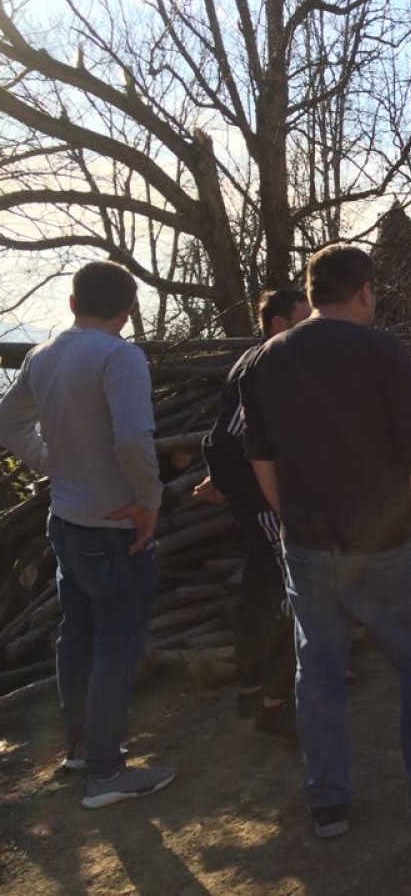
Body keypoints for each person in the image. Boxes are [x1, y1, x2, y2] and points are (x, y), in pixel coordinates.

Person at [239, 244, 411, 839]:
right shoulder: (382, 351)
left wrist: (293, 518)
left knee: (317, 672)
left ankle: (328, 803)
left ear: (311, 291)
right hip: (387, 544)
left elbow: (261, 461)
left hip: (307, 546)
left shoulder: (265, 360)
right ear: (365, 291)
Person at [0, 261, 175, 808]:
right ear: (127, 310)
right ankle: (105, 772)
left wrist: (51, 463)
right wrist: (149, 502)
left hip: (67, 522)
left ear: (73, 303)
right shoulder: (120, 357)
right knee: (118, 644)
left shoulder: (43, 355)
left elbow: (7, 421)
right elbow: (132, 440)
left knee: (76, 636)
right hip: (114, 524)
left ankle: (79, 747)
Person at [194, 288, 310, 738]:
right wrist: (239, 487)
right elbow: (227, 437)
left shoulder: (263, 361)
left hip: (260, 499)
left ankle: (251, 688)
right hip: (266, 504)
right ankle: (276, 705)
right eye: (305, 319)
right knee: (288, 592)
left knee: (259, 589)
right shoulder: (266, 365)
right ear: (280, 324)